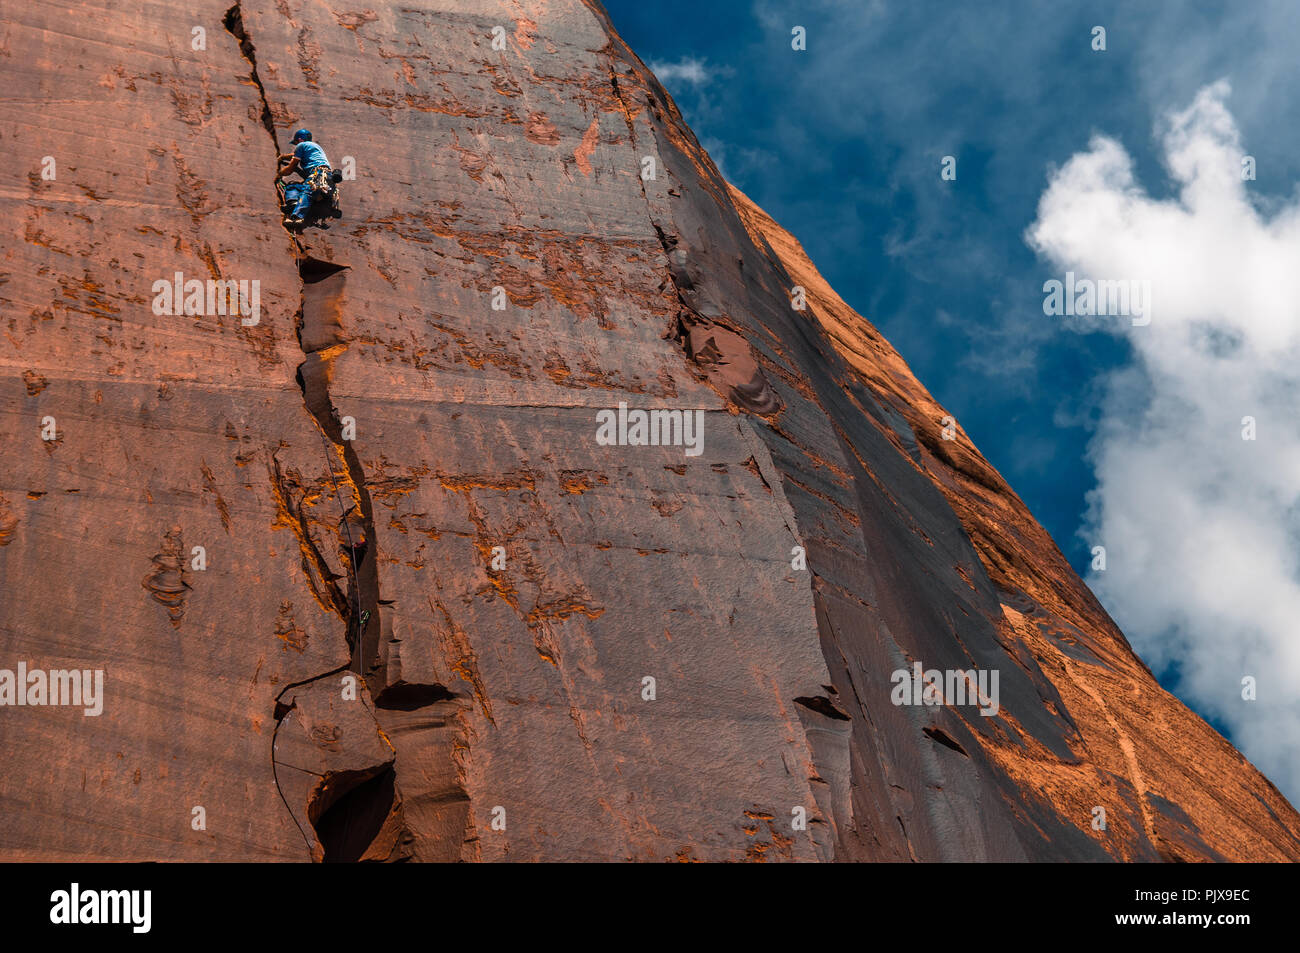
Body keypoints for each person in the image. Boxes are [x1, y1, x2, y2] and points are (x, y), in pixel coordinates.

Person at [276, 129, 333, 226]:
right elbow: (295, 155)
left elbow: (291, 168)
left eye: (296, 143)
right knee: (294, 187)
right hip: (327, 178)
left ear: (300, 140)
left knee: (306, 192)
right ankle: (295, 203)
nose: (296, 145)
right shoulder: (315, 148)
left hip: (317, 174)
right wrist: (283, 157)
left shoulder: (301, 145)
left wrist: (279, 174)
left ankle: (297, 218)